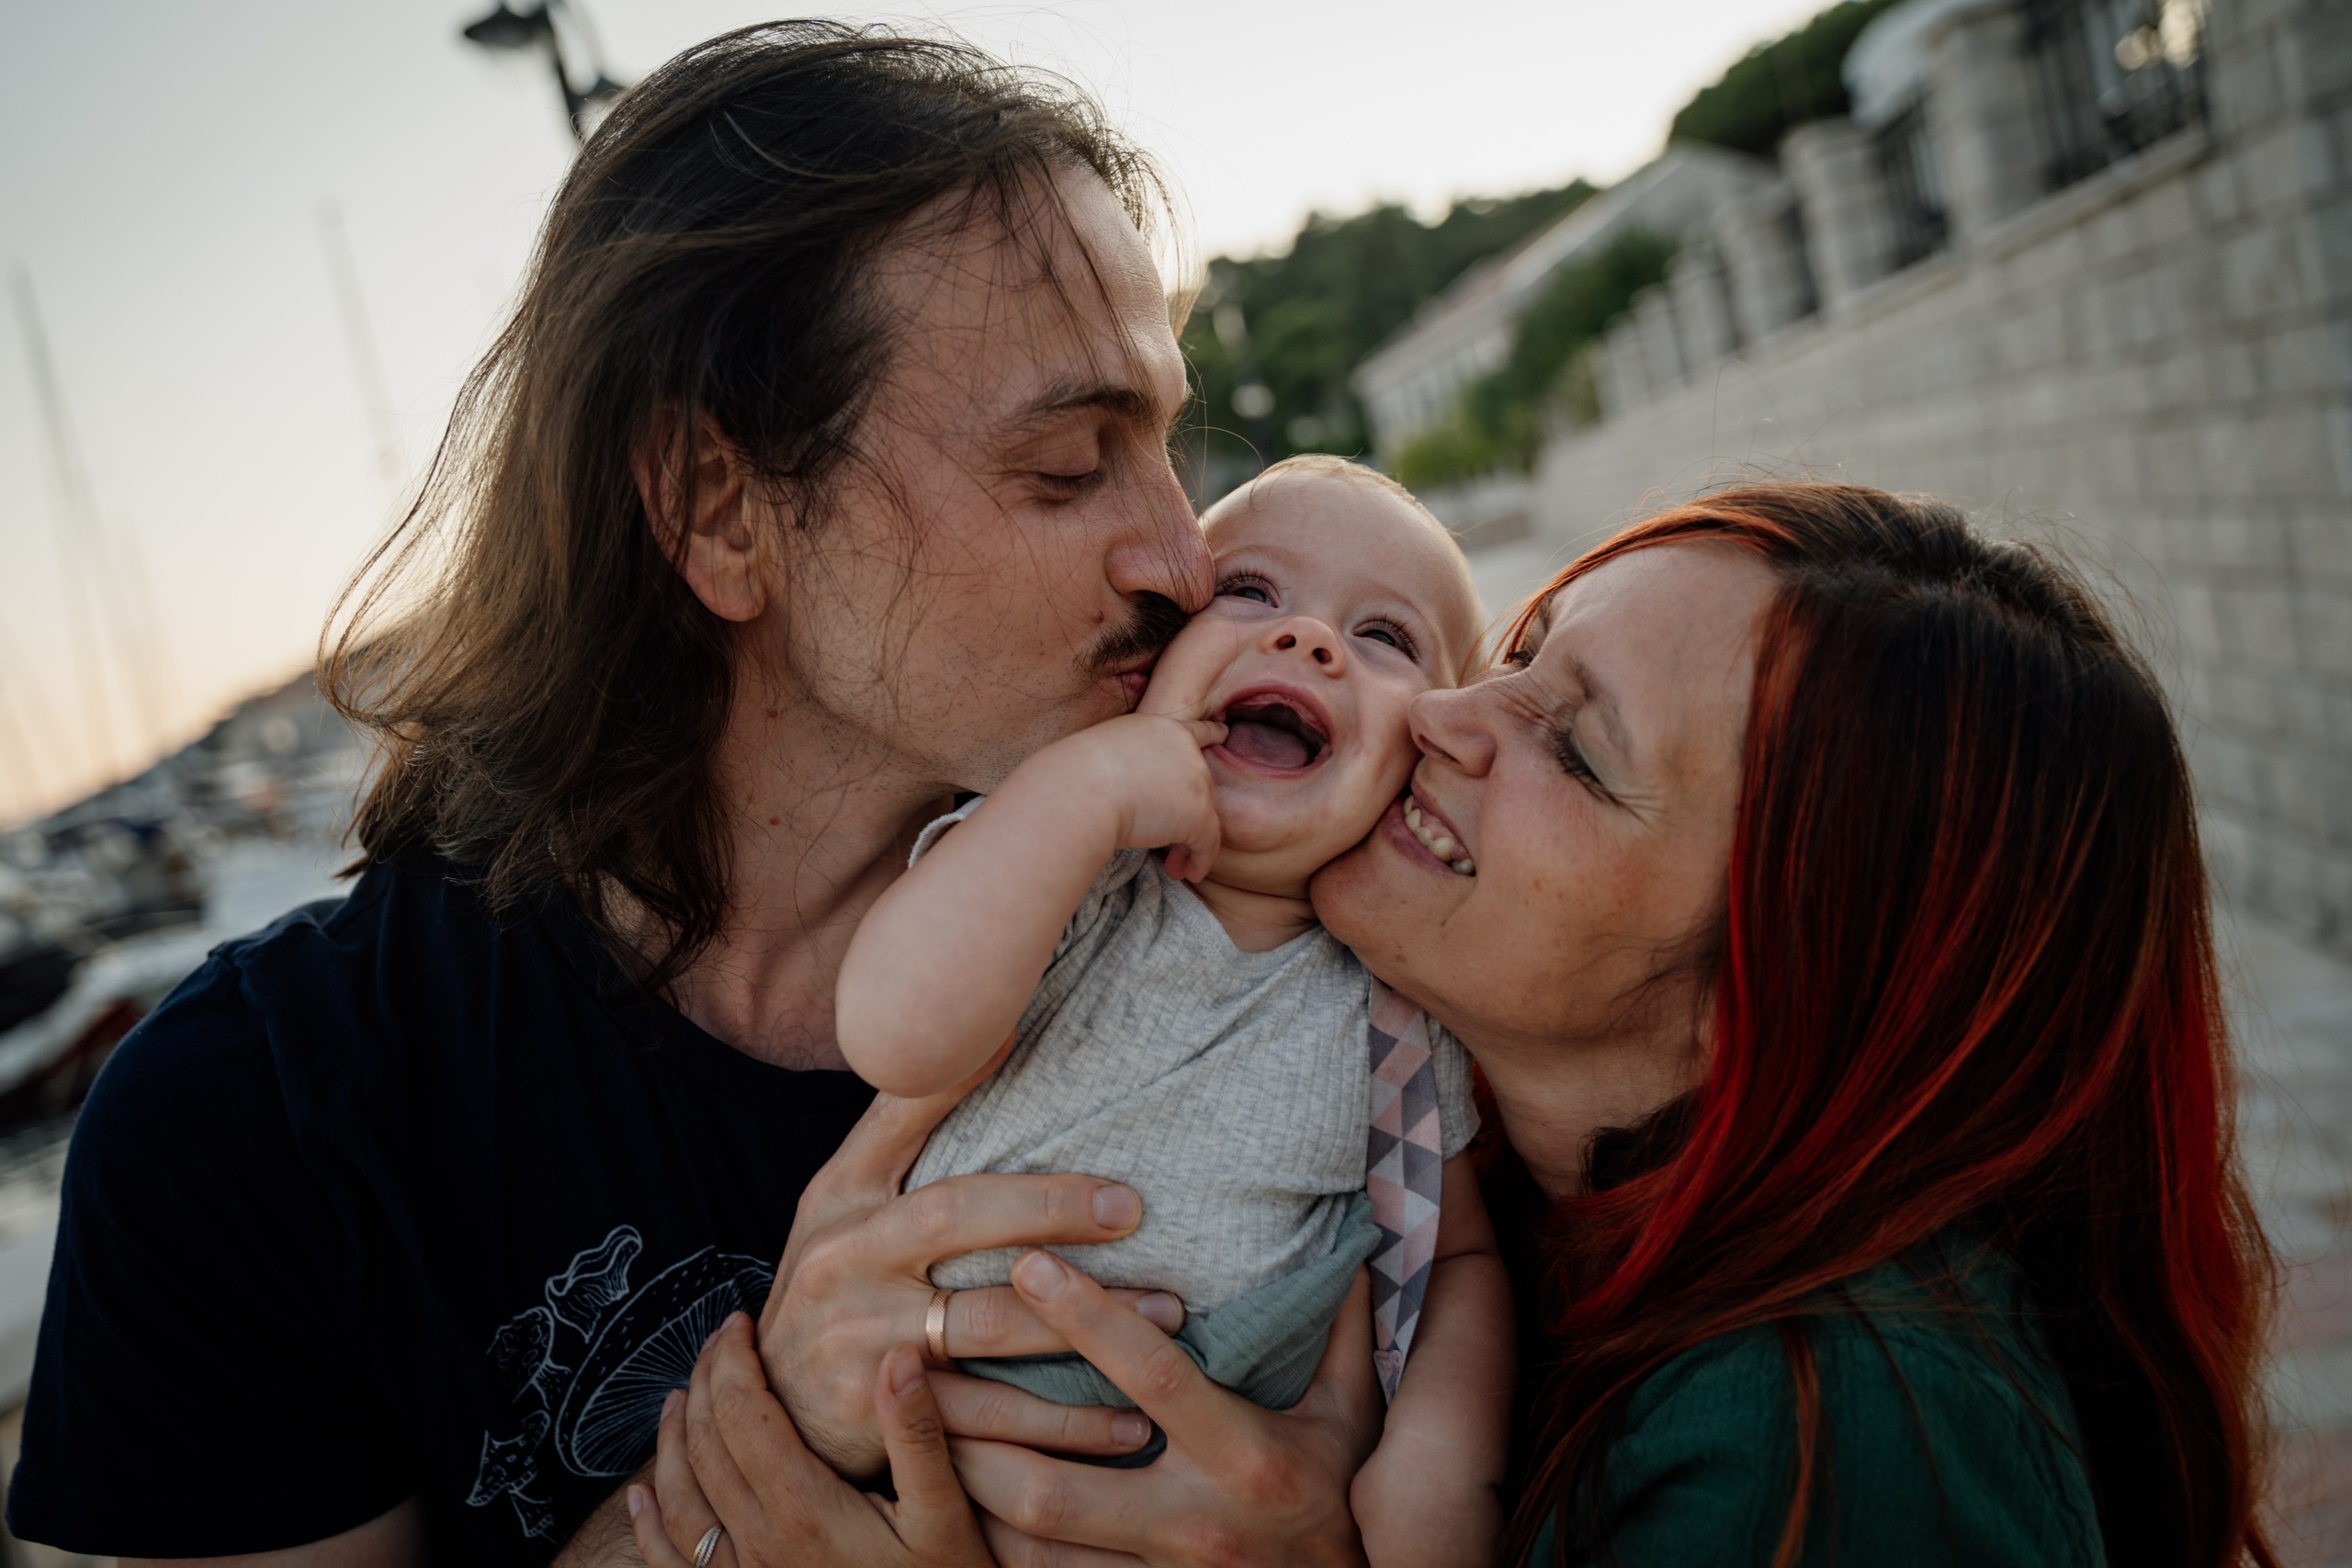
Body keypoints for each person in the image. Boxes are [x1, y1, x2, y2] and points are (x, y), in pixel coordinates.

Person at [6, 25, 1383, 1566]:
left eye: (1169, 445)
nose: (1186, 557)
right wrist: (752, 1466)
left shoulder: (1263, 925)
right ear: (717, 506)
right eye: (1070, 463)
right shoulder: (251, 1128)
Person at [1303, 481, 2278, 1565]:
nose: (1438, 713)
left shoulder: (1831, 1442)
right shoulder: (1473, 1184)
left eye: (1576, 748)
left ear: (1780, 991)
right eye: (1521, 652)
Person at [837, 456, 1512, 1565]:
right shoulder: (1055, 863)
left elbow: (1455, 1257)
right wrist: (1090, 790)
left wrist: (1436, 1465)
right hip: (942, 1440)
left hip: (1222, 1457)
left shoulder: (1395, 1013)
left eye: (1384, 637)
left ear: (1423, 758)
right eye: (1249, 590)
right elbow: (894, 1035)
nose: (1308, 639)